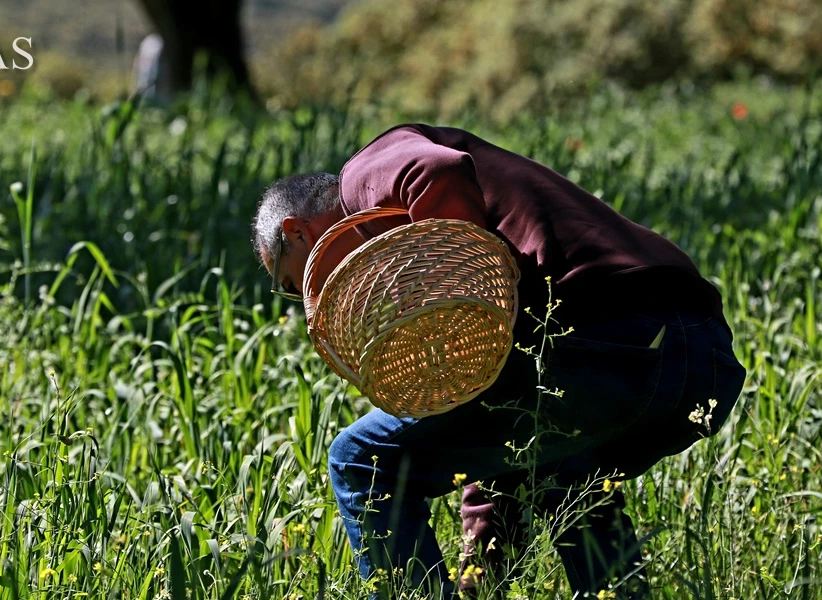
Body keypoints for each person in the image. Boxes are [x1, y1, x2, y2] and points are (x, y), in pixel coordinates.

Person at [252, 124, 746, 599]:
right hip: (695, 358)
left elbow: (436, 170)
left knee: (361, 460)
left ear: (296, 232)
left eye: (298, 285)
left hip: (605, 341)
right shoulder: (498, 324)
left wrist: (444, 292)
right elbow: (504, 445)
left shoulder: (363, 176)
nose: (316, 298)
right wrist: (480, 577)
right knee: (557, 468)